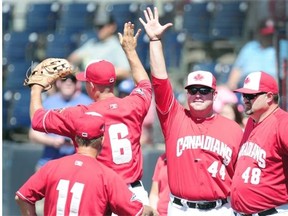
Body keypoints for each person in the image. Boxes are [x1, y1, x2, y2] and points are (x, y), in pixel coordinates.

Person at [31, 22, 152, 207]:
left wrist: (36, 87)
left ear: (92, 86)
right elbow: (145, 84)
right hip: (135, 193)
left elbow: (37, 120)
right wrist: (130, 51)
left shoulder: (83, 114)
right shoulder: (133, 104)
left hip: (102, 194)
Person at [139, 7, 244, 216]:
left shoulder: (233, 130)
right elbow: (160, 80)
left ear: (214, 95)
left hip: (220, 209)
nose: (197, 94)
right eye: (193, 90)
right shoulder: (174, 119)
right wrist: (155, 42)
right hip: (180, 208)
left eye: (204, 91)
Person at [15, 111, 157, 215]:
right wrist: (152, 211)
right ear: (102, 140)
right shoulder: (106, 176)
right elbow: (138, 212)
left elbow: (22, 197)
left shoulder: (52, 166)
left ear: (76, 139)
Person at [231, 71, 288, 216]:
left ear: (269, 97)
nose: (245, 99)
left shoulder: (282, 122)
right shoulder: (252, 121)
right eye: (243, 95)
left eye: (250, 96)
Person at [29, 74, 92, 171]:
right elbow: (33, 134)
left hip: (77, 163)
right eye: (64, 79)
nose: (68, 82)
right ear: (58, 83)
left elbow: (98, 135)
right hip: (49, 160)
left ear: (77, 83)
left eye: (72, 79)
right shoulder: (48, 103)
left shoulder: (87, 103)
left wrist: (78, 141)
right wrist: (53, 141)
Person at [68, 13, 131, 80]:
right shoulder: (92, 43)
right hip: (87, 83)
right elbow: (72, 58)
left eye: (101, 26)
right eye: (97, 27)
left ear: (112, 27)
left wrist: (99, 72)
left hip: (105, 86)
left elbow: (126, 72)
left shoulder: (116, 46)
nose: (98, 30)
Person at [226, 18, 277, 91]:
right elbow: (237, 69)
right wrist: (231, 85)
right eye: (266, 35)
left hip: (270, 90)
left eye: (270, 35)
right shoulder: (249, 47)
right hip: (248, 88)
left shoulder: (279, 49)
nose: (268, 37)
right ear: (259, 33)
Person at [118, 78, 155, 146]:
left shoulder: (141, 105)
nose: (123, 97)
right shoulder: (117, 109)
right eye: (121, 94)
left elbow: (149, 122)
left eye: (126, 94)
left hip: (145, 143)